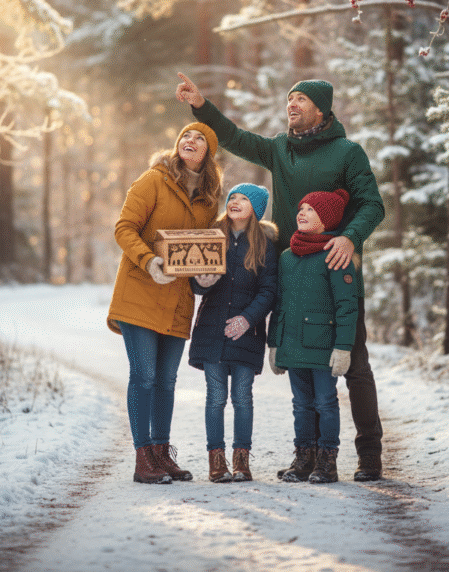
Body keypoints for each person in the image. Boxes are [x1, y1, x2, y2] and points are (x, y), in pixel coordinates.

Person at [176, 72, 386, 481]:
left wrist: (349, 239)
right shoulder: (278, 150)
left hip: (335, 271)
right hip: (291, 275)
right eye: (290, 99)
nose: (292, 105)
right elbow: (234, 137)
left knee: (354, 365)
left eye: (302, 100)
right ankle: (307, 455)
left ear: (321, 109)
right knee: (301, 373)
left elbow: (372, 205)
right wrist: (201, 106)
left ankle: (370, 455)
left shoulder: (348, 153)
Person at [107, 122, 222, 484]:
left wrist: (205, 276)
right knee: (143, 377)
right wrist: (149, 261)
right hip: (141, 290)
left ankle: (161, 453)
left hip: (176, 300)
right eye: (186, 135)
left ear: (208, 153)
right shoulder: (153, 180)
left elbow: (199, 250)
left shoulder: (209, 198)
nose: (190, 140)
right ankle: (143, 459)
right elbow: (124, 228)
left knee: (167, 381)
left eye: (200, 138)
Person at [188, 183, 278, 483]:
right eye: (232, 198)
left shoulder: (265, 244)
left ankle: (241, 461)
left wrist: (247, 320)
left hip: (246, 335)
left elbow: (268, 291)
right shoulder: (212, 236)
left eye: (244, 199)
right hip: (212, 329)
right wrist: (202, 280)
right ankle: (217, 461)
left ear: (257, 208)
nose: (235, 202)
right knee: (215, 397)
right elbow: (198, 285)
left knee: (242, 397)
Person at [268, 189, 358, 483]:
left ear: (327, 219)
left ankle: (327, 461)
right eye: (301, 208)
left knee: (325, 402)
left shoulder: (336, 254)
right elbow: (279, 304)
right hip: (293, 345)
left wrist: (343, 347)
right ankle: (304, 458)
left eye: (310, 209)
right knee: (301, 404)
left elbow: (347, 305)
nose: (302, 213)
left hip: (322, 346)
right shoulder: (286, 257)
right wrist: (275, 343)